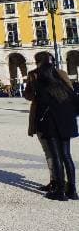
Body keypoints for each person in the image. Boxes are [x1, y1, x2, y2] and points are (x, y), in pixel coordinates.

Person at [26, 58, 78, 200]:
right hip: (67, 124)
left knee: (55, 157)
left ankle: (60, 191)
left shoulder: (40, 85)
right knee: (67, 156)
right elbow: (76, 103)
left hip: (51, 125)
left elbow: (39, 104)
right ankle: (72, 191)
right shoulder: (63, 85)